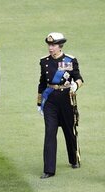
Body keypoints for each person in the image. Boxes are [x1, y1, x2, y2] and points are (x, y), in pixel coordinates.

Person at [37, 32, 83, 179]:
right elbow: (42, 83)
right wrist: (39, 103)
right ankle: (49, 169)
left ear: (60, 45)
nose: (50, 48)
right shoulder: (44, 61)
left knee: (69, 131)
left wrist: (75, 85)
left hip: (66, 100)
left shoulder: (70, 60)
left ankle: (73, 158)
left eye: (53, 45)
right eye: (49, 45)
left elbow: (79, 78)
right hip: (50, 101)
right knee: (50, 133)